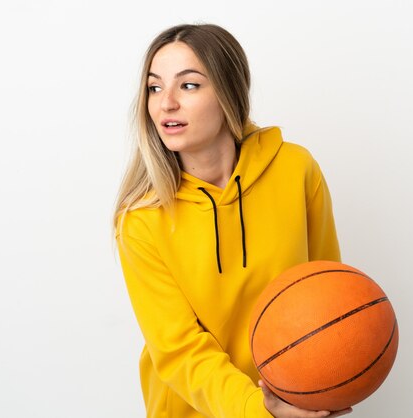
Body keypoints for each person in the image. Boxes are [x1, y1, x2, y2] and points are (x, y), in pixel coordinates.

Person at [113, 23, 349, 418]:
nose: (165, 103)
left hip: (294, 403)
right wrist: (261, 410)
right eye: (154, 87)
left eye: (188, 85)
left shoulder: (295, 170)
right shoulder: (141, 219)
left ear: (228, 92)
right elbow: (181, 349)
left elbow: (327, 292)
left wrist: (329, 381)